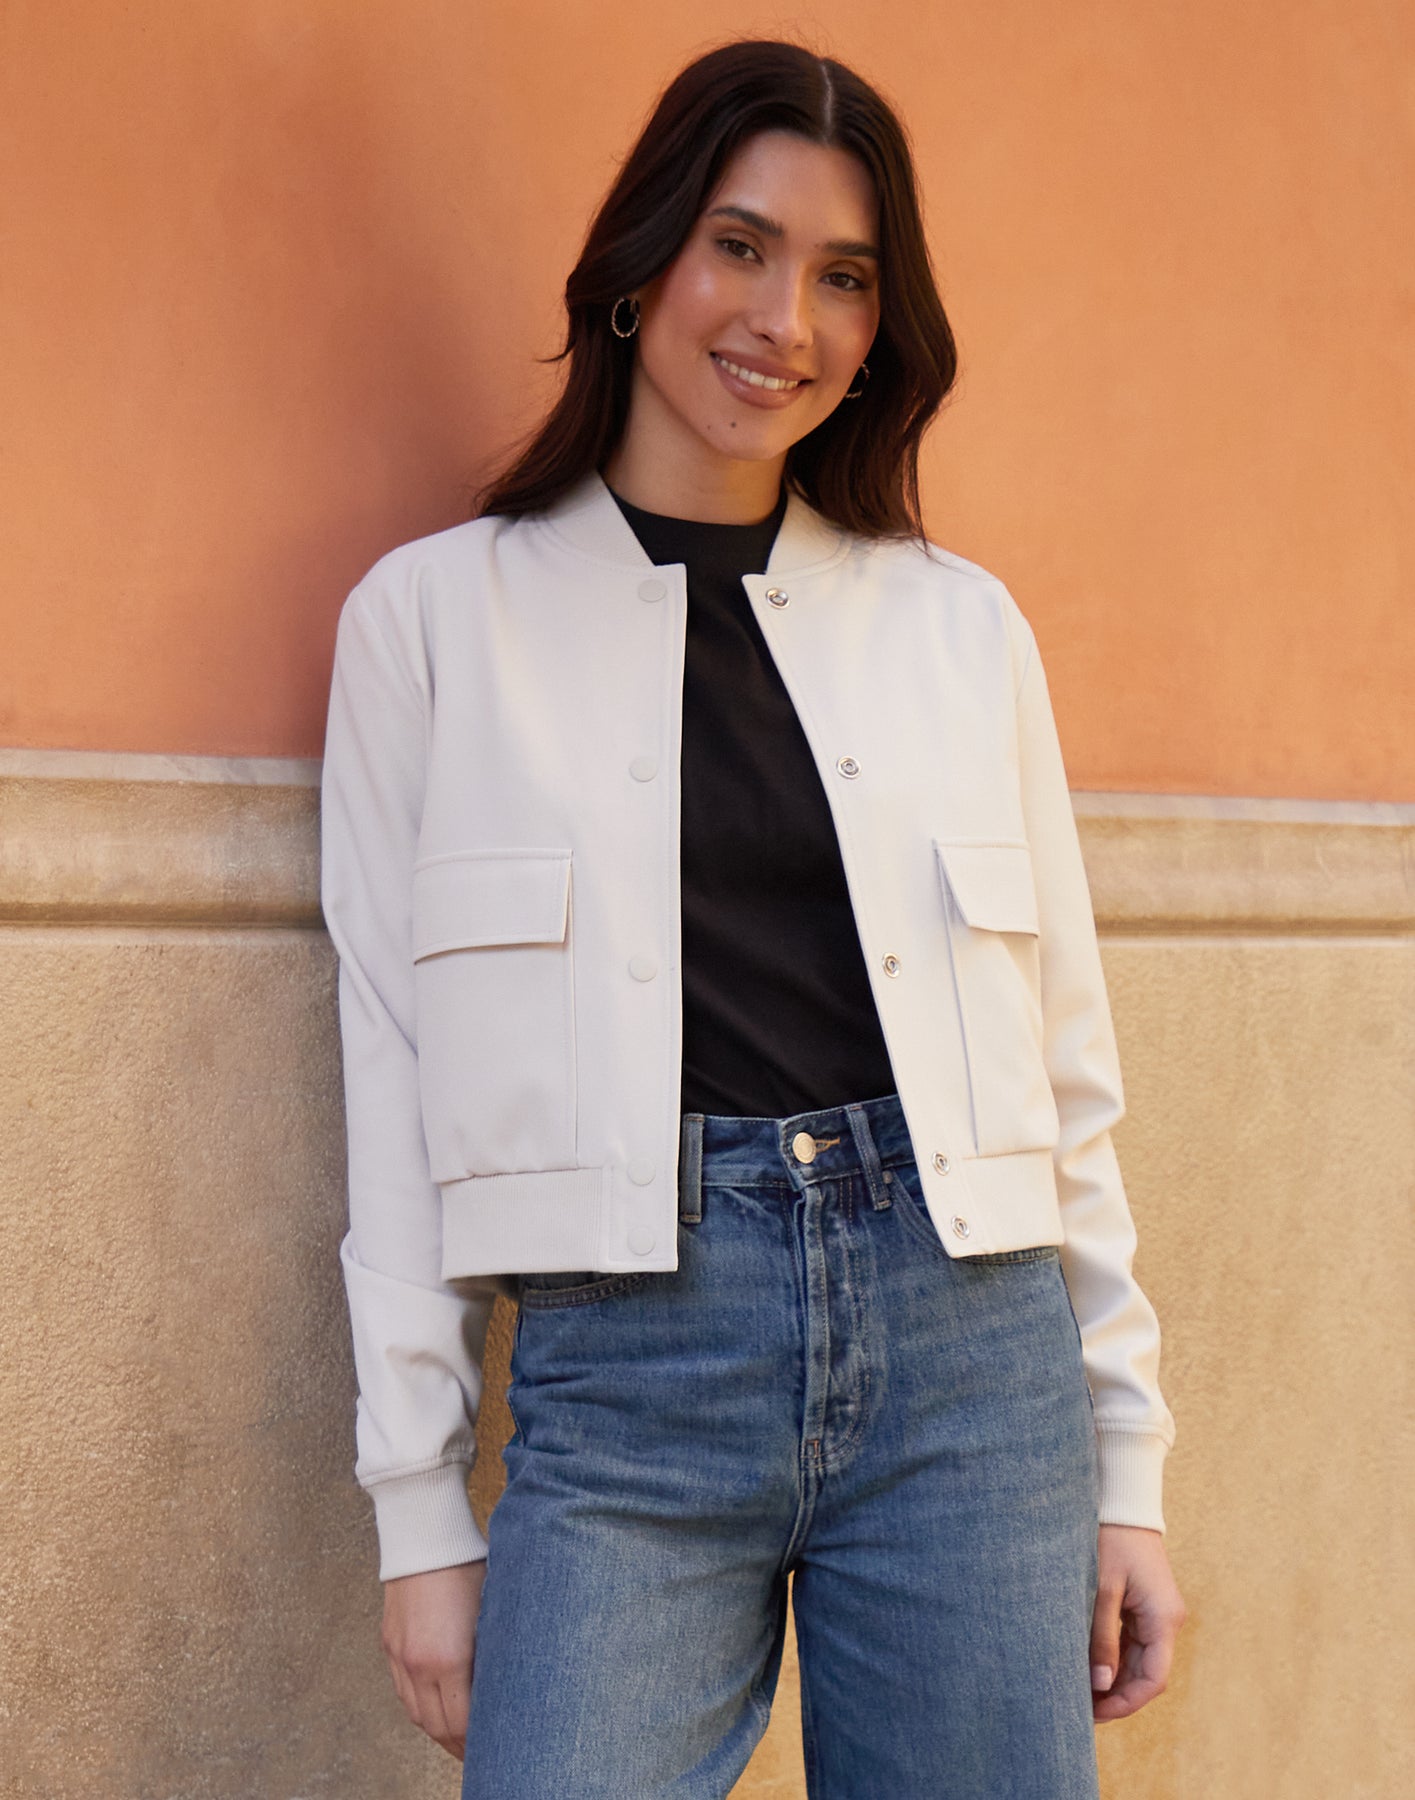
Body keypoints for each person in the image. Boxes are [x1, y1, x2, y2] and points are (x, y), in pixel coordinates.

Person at [319, 37, 1184, 1800]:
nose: (787, 318)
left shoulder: (961, 630)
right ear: (640, 267)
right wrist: (418, 1506)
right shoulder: (434, 625)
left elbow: (1063, 1076)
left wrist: (1127, 1467)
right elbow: (394, 1080)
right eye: (742, 246)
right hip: (631, 1381)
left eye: (845, 277)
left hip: (971, 1367)